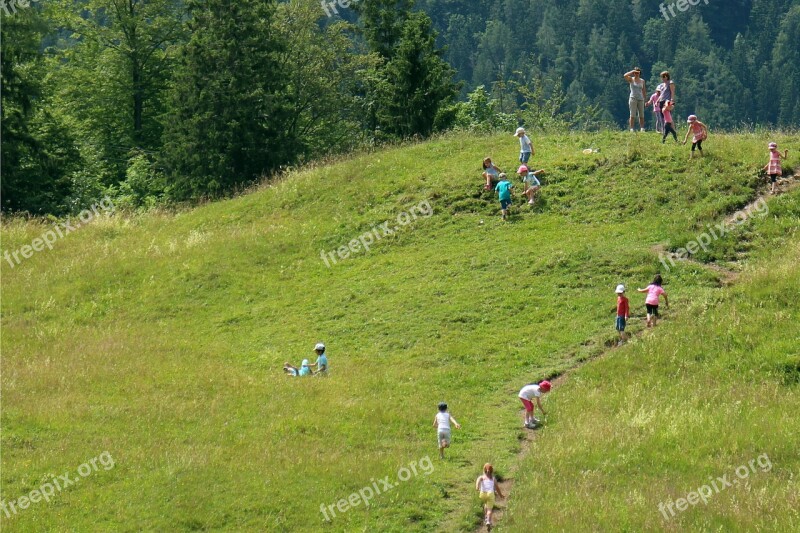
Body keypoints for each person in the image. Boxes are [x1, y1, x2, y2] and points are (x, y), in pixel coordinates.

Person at [476, 463, 504, 531]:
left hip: (482, 494)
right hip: (490, 494)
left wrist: (477, 487)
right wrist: (500, 495)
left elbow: (478, 481)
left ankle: (486, 517)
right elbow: (497, 488)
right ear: (492, 471)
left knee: (486, 504)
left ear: (484, 470)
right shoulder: (493, 479)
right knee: (489, 509)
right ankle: (488, 520)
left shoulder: (482, 477)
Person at [624, 68, 647, 132]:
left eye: (638, 72)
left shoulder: (642, 81)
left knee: (641, 114)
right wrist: (632, 71)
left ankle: (642, 128)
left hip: (640, 99)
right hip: (633, 98)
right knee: (632, 114)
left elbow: (644, 90)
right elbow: (625, 75)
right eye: (635, 73)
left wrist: (645, 100)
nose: (636, 74)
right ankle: (631, 128)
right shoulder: (631, 79)